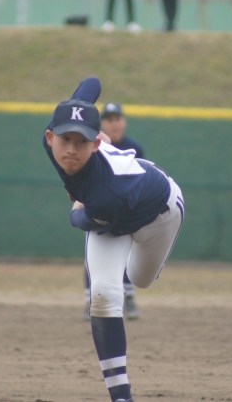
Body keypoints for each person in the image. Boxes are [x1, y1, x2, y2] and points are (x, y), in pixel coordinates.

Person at [43, 77, 184, 402]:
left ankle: (133, 263)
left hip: (160, 212)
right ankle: (121, 396)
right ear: (50, 137)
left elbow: (80, 219)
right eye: (65, 138)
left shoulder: (106, 194)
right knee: (104, 297)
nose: (72, 149)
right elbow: (91, 84)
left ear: (96, 143)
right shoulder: (52, 141)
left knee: (140, 279)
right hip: (114, 217)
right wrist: (80, 101)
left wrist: (78, 205)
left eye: (83, 141)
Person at [82, 101, 146, 321]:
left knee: (127, 255)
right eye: (109, 120)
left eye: (117, 118)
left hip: (126, 210)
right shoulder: (93, 146)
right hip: (99, 208)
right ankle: (91, 301)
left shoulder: (135, 148)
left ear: (124, 121)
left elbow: (141, 179)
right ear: (102, 124)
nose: (114, 124)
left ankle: (129, 300)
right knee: (93, 256)